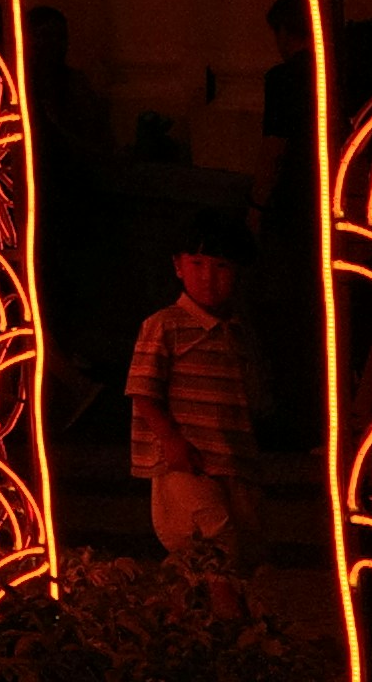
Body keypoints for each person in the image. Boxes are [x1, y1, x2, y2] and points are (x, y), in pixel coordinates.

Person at [132, 221, 262, 608]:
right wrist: (170, 439)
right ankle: (232, 632)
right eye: (198, 264)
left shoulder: (236, 331)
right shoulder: (164, 325)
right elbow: (143, 389)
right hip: (185, 460)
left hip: (231, 457)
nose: (208, 277)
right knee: (218, 540)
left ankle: (180, 627)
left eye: (221, 266)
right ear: (179, 266)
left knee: (237, 546)